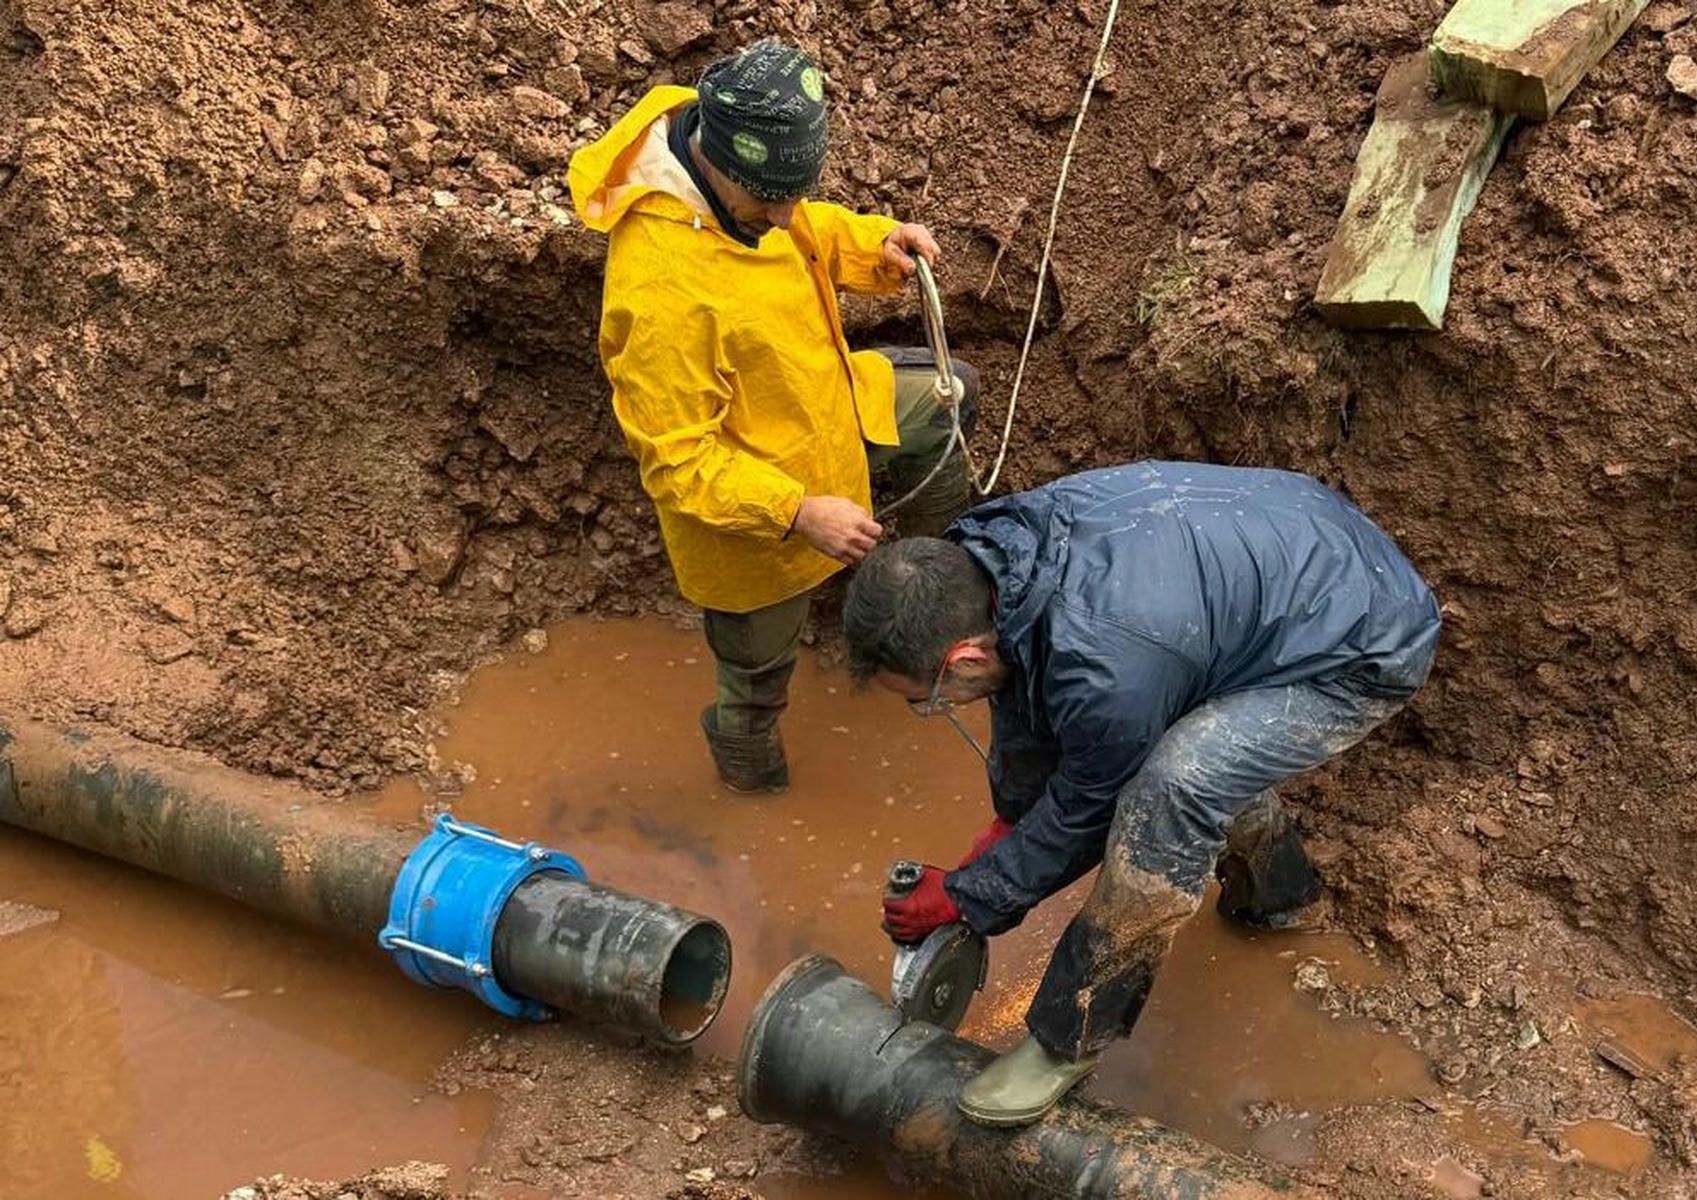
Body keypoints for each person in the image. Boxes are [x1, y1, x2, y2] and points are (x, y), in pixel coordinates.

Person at [843, 461, 1442, 1126]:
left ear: (962, 659)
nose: (934, 710)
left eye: (928, 701)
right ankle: (1282, 897)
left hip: (1363, 644)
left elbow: (1088, 808)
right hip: (1288, 563)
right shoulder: (1001, 557)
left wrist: (969, 895)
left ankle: (1071, 1036)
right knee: (1201, 757)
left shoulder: (1106, 666)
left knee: (1172, 789)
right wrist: (1005, 833)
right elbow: (1031, 691)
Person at [567, 39, 979, 794]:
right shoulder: (661, 291)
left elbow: (808, 225)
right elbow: (679, 462)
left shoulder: (742, 182)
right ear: (722, 169)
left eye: (790, 196)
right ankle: (747, 767)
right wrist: (798, 512)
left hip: (827, 408)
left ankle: (915, 587)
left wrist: (874, 244)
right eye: (769, 202)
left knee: (952, 397)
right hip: (753, 530)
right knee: (757, 678)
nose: (785, 216)